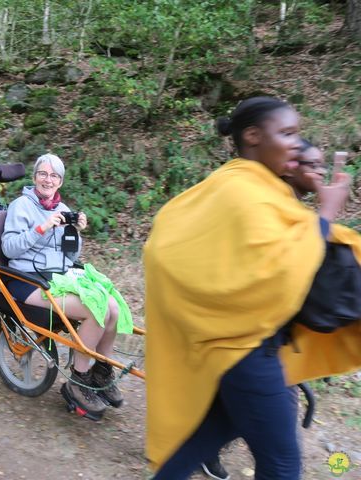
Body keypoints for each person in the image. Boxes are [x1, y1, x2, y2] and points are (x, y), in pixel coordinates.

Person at [143, 96, 358, 479]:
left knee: (202, 441)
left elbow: (285, 251)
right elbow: (277, 270)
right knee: (282, 465)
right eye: (288, 133)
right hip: (245, 351)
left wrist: (318, 208)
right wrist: (325, 213)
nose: (296, 142)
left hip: (240, 349)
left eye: (298, 133)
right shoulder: (242, 190)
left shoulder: (253, 186)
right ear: (254, 136)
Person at [0, 153, 134, 420]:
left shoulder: (62, 210)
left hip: (57, 278)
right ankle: (78, 381)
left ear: (60, 181)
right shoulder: (21, 206)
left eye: (54, 176)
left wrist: (76, 233)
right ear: (34, 177)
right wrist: (41, 228)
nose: (48, 180)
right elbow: (9, 248)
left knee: (112, 307)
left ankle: (101, 371)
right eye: (43, 174)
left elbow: (69, 258)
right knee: (95, 309)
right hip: (26, 280)